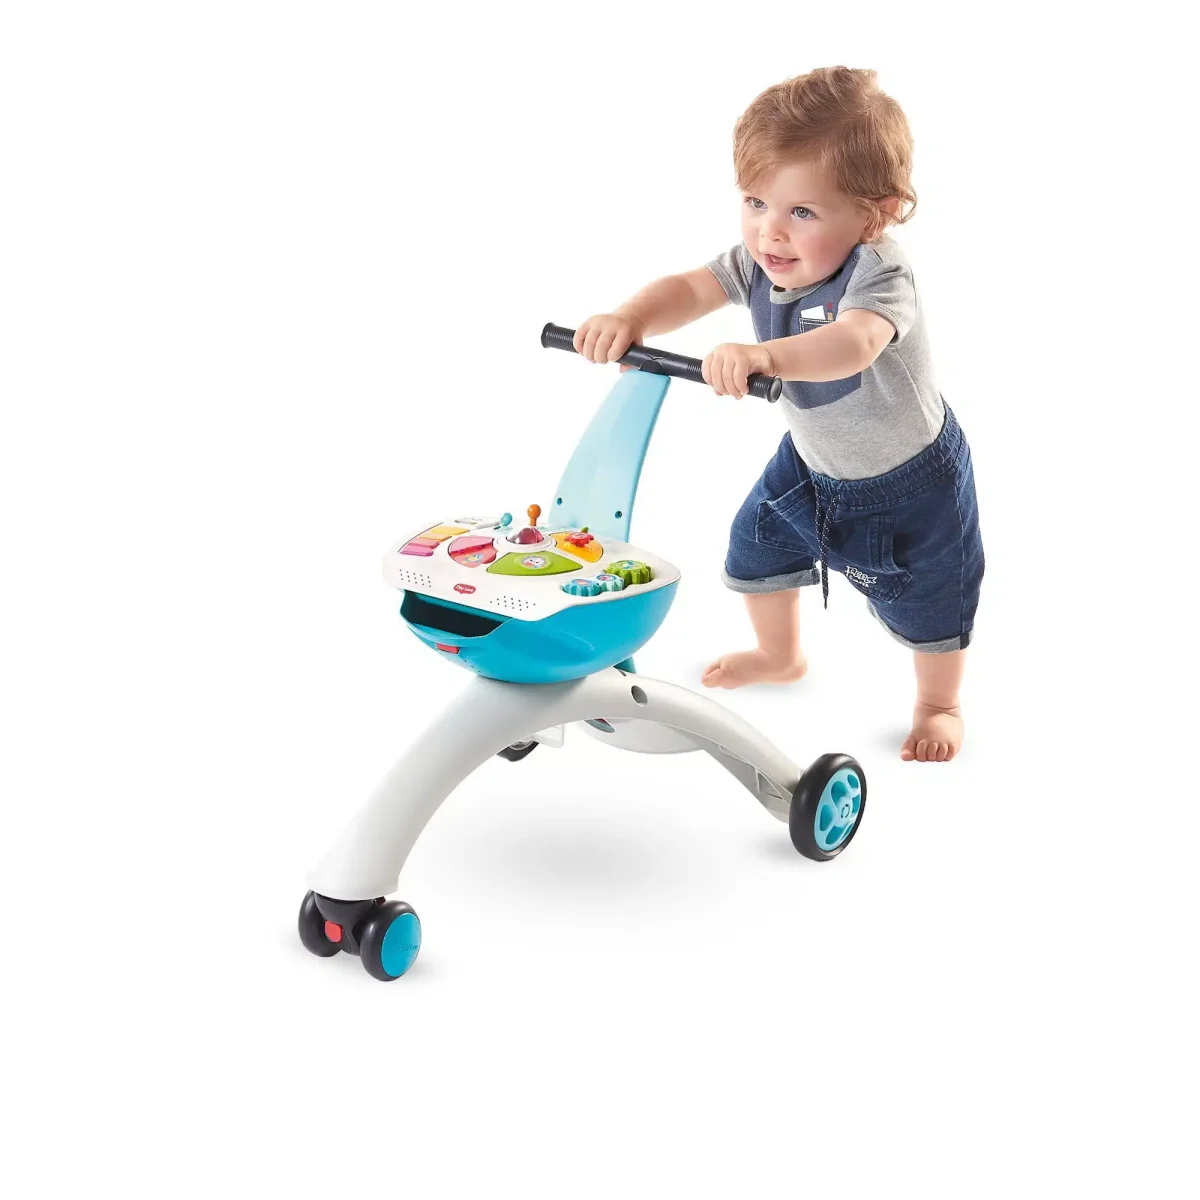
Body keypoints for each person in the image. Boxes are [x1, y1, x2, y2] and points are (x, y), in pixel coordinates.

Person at [573, 66, 984, 763]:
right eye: (756, 201)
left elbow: (853, 345)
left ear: (875, 215)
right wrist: (631, 317)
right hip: (812, 460)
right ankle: (780, 654)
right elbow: (691, 288)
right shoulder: (760, 262)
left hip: (909, 482)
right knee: (756, 547)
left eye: (802, 213)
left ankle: (939, 703)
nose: (771, 232)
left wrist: (767, 356)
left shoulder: (879, 273)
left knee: (930, 600)